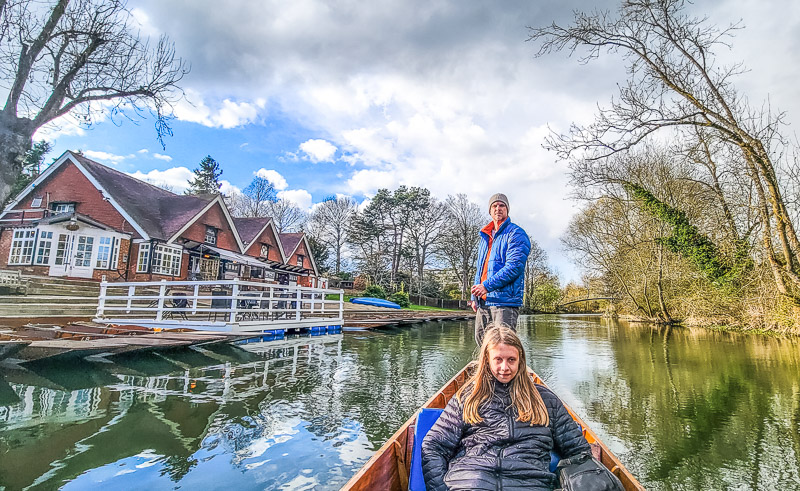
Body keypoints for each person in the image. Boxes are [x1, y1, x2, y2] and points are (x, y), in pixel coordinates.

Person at [421, 326, 591, 491]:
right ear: (487, 360)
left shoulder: (545, 400)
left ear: (520, 360)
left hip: (529, 482)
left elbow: (578, 451)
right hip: (471, 481)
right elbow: (434, 445)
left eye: (511, 360)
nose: (504, 368)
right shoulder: (467, 398)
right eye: (498, 359)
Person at [470, 193, 531, 345]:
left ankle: (507, 370)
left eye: (502, 205)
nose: (498, 208)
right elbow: (480, 270)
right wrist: (474, 297)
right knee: (482, 343)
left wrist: (486, 286)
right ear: (490, 211)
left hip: (505, 302)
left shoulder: (516, 234)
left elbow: (514, 267)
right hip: (483, 301)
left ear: (507, 210)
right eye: (494, 206)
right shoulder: (484, 238)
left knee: (503, 345)